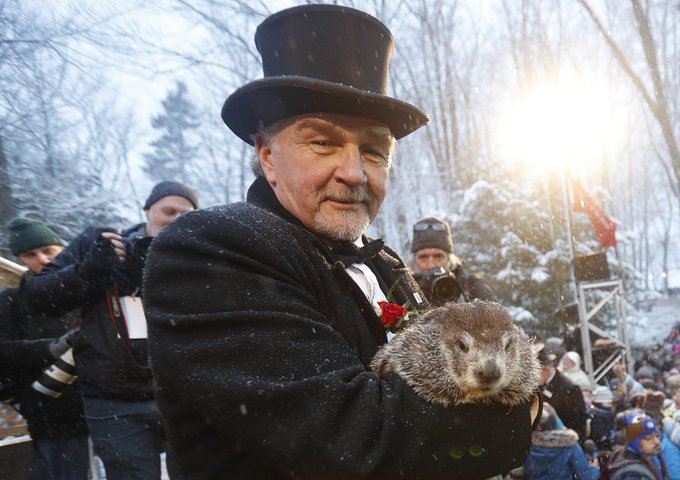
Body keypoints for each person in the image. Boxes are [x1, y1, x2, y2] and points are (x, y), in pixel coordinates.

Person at [143, 5, 534, 479]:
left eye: (374, 151)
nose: (354, 173)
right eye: (323, 142)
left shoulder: (385, 260)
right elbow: (355, 440)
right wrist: (519, 411)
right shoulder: (212, 249)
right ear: (268, 155)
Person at [18, 182, 198, 480]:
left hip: (181, 396)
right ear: (147, 210)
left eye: (186, 213)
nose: (176, 219)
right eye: (169, 210)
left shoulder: (198, 255)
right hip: (113, 399)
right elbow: (38, 298)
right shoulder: (102, 241)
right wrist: (87, 271)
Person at [0, 217, 89, 479]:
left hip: (104, 401)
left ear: (62, 249)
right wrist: (50, 348)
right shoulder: (12, 302)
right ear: (22, 259)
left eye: (48, 250)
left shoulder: (88, 291)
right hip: (52, 411)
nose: (42, 259)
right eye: (30, 254)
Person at [409, 216, 498, 305]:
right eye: (423, 257)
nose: (431, 265)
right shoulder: (406, 290)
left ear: (449, 259)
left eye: (438, 257)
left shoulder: (471, 287)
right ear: (414, 261)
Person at [522, 402, 599, 480]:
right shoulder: (569, 443)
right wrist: (594, 469)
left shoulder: (527, 445)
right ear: (554, 421)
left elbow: (519, 472)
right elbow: (585, 476)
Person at [538, 343, 589, 444]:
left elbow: (579, 423)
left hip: (564, 444)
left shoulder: (570, 387)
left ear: (545, 368)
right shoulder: (540, 385)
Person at [608, 411, 669, 480]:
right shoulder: (633, 475)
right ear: (634, 442)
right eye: (648, 438)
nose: (657, 442)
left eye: (657, 436)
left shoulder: (646, 459)